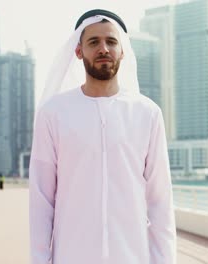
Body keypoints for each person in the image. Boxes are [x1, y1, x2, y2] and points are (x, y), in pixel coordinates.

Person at [29, 9, 176, 264]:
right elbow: (41, 201)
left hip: (132, 256)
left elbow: (160, 200)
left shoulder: (147, 113)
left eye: (111, 41)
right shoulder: (53, 113)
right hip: (72, 256)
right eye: (93, 42)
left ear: (122, 51)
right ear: (78, 51)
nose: (103, 49)